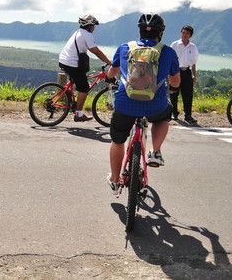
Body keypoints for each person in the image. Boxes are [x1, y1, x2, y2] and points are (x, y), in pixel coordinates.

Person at [105, 13, 180, 194]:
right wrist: (170, 87)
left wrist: (109, 78)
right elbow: (176, 82)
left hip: (125, 104)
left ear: (140, 31)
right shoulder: (168, 52)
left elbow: (112, 72)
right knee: (164, 116)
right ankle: (155, 151)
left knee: (117, 140)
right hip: (155, 105)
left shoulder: (124, 48)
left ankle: (115, 181)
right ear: (160, 33)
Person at [57, 14, 112, 122]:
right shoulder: (87, 35)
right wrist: (109, 62)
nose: (94, 28)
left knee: (79, 81)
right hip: (73, 64)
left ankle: (73, 103)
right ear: (90, 26)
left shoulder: (78, 32)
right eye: (93, 26)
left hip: (64, 61)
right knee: (84, 89)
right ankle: (78, 114)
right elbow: (96, 51)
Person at [170, 25, 199, 124]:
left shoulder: (193, 47)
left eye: (187, 33)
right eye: (183, 32)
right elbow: (169, 59)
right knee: (174, 93)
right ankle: (174, 113)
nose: (184, 35)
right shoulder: (175, 44)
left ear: (190, 35)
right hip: (175, 71)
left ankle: (188, 115)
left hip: (187, 71)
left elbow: (194, 62)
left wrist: (194, 75)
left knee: (188, 95)